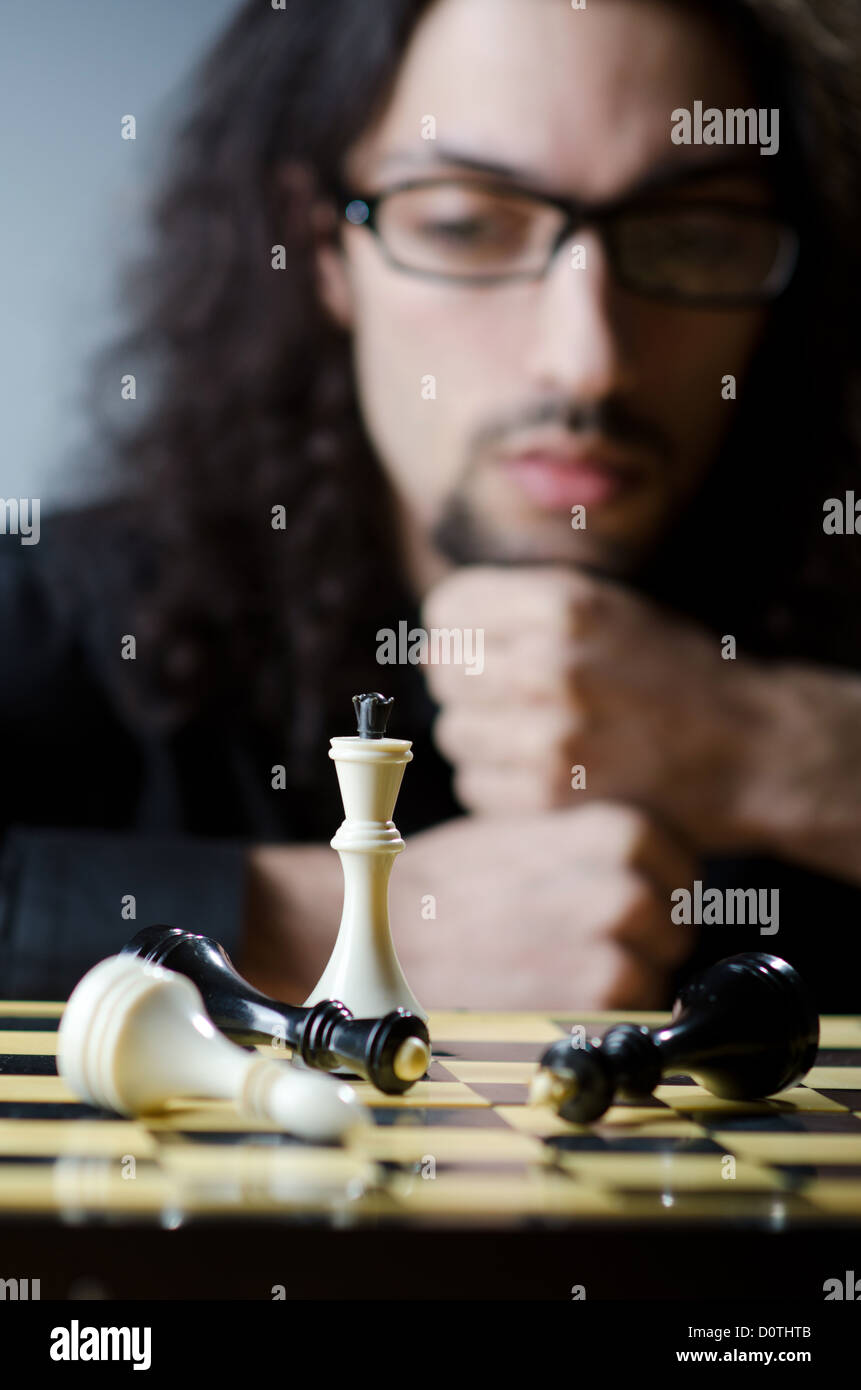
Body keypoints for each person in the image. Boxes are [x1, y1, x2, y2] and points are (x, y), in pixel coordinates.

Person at [2, 0, 860, 1012]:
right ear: (321, 246)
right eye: (466, 226)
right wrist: (331, 925)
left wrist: (774, 748)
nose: (586, 362)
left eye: (693, 237)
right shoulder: (68, 615)